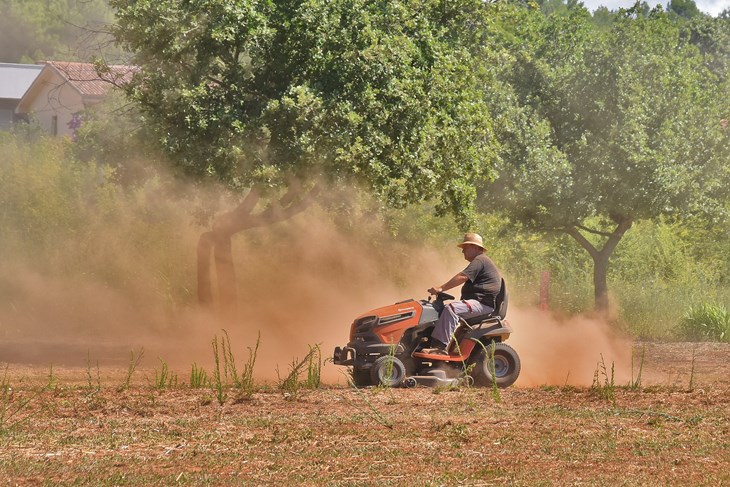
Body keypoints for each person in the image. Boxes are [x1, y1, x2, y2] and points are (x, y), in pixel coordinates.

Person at [421, 232, 501, 355]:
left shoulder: (480, 260)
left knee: (452, 309)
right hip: (480, 303)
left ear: (475, 247)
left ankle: (439, 348)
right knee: (442, 311)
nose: (462, 251)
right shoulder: (480, 261)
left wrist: (441, 288)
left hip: (483, 304)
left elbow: (463, 276)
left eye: (465, 248)